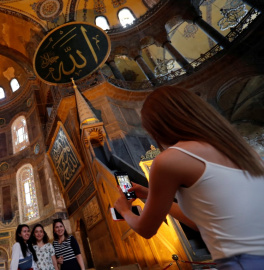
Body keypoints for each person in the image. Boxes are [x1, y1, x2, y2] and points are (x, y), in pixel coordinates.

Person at [113, 86, 264, 270]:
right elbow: (204, 223)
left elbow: (146, 229)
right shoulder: (244, 151)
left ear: (157, 127)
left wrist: (125, 211)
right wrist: (148, 194)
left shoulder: (170, 159)